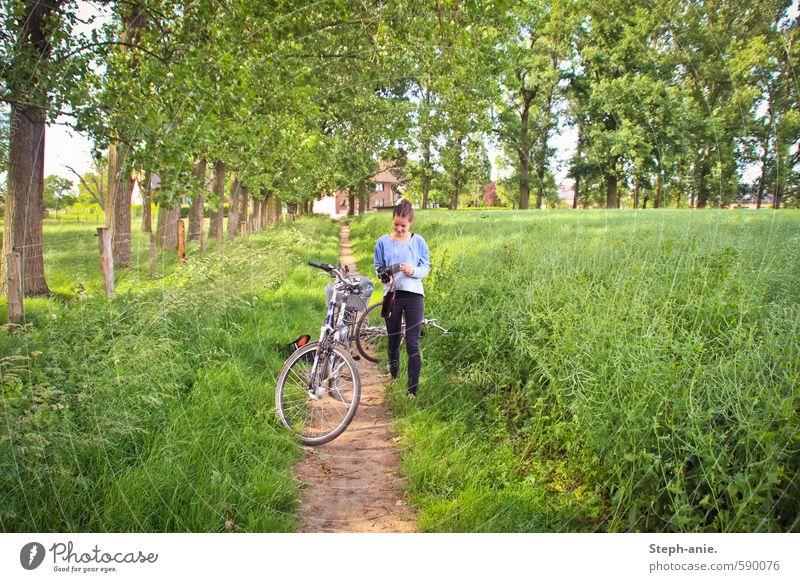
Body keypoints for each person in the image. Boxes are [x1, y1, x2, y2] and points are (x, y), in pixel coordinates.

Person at [373, 199, 430, 399]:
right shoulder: (382, 242)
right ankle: (394, 375)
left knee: (413, 343)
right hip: (392, 296)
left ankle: (412, 391)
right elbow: (378, 267)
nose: (399, 229)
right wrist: (384, 277)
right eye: (396, 225)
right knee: (394, 339)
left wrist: (413, 270)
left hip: (414, 295)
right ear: (393, 221)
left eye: (403, 226)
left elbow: (426, 267)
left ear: (410, 223)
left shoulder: (418, 242)